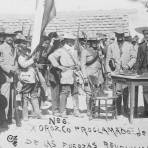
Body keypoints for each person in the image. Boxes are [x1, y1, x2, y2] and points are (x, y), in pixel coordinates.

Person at [48, 33, 82, 118]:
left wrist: (78, 65)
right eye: (72, 40)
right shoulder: (61, 50)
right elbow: (51, 57)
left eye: (73, 40)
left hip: (74, 72)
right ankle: (62, 111)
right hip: (66, 73)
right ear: (67, 41)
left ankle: (76, 110)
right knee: (64, 92)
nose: (73, 42)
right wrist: (58, 66)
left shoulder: (74, 50)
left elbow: (77, 61)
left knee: (75, 92)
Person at [106, 31, 137, 115]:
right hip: (115, 72)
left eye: (121, 35)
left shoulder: (130, 45)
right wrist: (109, 71)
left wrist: (128, 65)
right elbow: (108, 59)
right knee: (117, 91)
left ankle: (126, 109)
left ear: (123, 35)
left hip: (126, 72)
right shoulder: (111, 46)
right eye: (118, 35)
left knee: (126, 90)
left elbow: (134, 58)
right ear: (116, 35)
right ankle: (118, 110)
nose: (120, 36)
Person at [17, 39, 42, 121]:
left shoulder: (27, 54)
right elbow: (23, 65)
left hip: (33, 78)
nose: (25, 46)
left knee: (34, 96)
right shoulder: (20, 56)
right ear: (20, 47)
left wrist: (34, 59)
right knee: (25, 97)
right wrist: (32, 60)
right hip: (26, 78)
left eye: (25, 44)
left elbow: (32, 63)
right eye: (23, 44)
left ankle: (37, 113)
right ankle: (25, 116)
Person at [80, 39, 105, 117]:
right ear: (90, 42)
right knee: (89, 93)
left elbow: (101, 61)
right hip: (89, 74)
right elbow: (82, 65)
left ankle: (94, 109)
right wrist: (84, 76)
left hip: (98, 74)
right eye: (93, 42)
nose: (95, 43)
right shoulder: (85, 51)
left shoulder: (98, 51)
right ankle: (89, 110)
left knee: (97, 92)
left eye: (96, 42)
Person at [0, 31, 19, 127]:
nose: (10, 38)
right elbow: (1, 62)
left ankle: (9, 118)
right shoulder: (1, 47)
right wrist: (9, 70)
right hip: (4, 76)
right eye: (8, 36)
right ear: (5, 37)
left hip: (13, 76)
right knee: (4, 98)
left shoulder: (14, 48)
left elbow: (15, 60)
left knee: (12, 98)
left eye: (12, 36)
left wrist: (15, 68)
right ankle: (2, 120)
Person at [135, 26, 148, 117]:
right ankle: (146, 110)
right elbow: (138, 59)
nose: (147, 36)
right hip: (144, 71)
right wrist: (138, 70)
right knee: (145, 91)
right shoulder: (141, 46)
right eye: (145, 34)